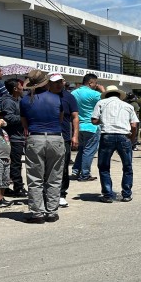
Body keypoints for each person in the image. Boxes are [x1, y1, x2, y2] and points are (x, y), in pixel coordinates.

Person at [20, 69, 65, 223]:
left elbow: (24, 123)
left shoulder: (25, 100)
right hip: (55, 137)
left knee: (35, 178)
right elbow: (60, 119)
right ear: (46, 83)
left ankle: (37, 213)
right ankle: (52, 211)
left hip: (35, 137)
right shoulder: (57, 98)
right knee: (54, 177)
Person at [92, 85, 138, 203]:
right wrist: (132, 139)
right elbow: (134, 125)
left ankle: (107, 194)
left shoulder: (101, 103)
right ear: (119, 95)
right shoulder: (128, 106)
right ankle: (126, 194)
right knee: (127, 166)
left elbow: (94, 120)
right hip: (124, 136)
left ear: (107, 94)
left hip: (107, 135)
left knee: (104, 166)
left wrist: (105, 119)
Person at [50, 75, 80, 209]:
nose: (58, 85)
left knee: (63, 168)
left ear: (63, 82)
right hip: (48, 135)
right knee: (48, 167)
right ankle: (49, 193)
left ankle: (61, 194)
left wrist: (75, 136)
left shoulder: (69, 97)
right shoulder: (45, 96)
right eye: (54, 82)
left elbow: (75, 117)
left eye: (59, 82)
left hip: (64, 137)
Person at [72, 74, 102, 181]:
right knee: (89, 151)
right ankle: (85, 174)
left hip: (79, 126)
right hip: (92, 126)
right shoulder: (95, 94)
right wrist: (103, 90)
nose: (96, 85)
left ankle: (76, 170)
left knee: (82, 150)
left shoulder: (74, 93)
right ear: (90, 82)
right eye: (95, 83)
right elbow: (108, 100)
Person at [1, 79, 26, 196]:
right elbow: (8, 118)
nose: (23, 88)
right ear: (15, 88)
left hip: (20, 136)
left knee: (16, 163)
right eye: (21, 86)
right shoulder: (8, 102)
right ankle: (18, 187)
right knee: (15, 163)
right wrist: (23, 118)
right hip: (13, 137)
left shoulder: (19, 100)